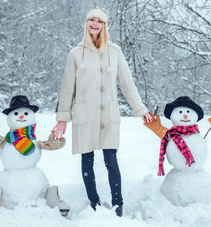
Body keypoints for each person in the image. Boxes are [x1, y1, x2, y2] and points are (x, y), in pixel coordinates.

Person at [52, 8, 153, 217]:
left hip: (108, 115)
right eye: (91, 20)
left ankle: (118, 205)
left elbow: (127, 84)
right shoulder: (75, 53)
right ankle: (94, 203)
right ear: (86, 23)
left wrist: (140, 109)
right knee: (86, 160)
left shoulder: (114, 52)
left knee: (111, 161)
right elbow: (67, 89)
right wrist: (62, 118)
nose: (95, 24)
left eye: (99, 21)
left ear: (105, 25)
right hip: (84, 114)